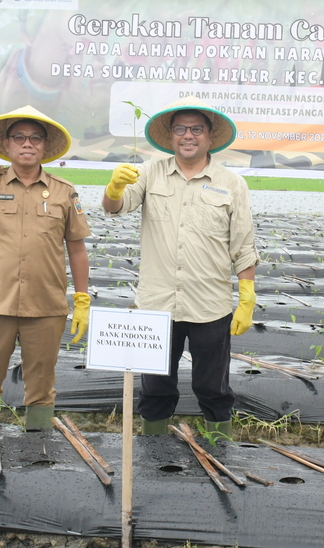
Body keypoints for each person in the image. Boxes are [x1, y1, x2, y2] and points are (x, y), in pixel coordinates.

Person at [101, 96, 257, 437]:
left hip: (210, 305)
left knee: (213, 387)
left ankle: (220, 446)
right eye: (181, 129)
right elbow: (115, 207)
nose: (188, 136)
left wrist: (247, 296)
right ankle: (152, 451)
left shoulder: (232, 184)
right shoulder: (148, 174)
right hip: (157, 305)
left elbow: (243, 246)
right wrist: (114, 186)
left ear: (210, 136)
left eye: (196, 129)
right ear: (171, 136)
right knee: (156, 387)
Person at [0, 105, 91, 430]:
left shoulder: (64, 191)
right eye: (19, 137)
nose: (27, 143)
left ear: (44, 146)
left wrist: (82, 299)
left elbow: (76, 248)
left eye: (35, 138)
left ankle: (37, 452)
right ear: (7, 145)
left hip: (46, 306)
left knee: (41, 388)